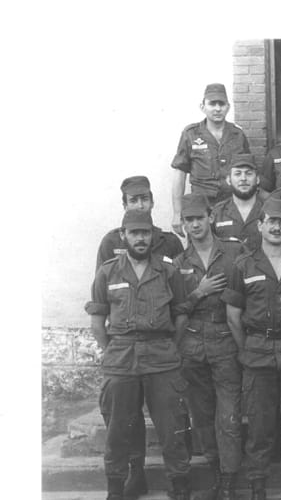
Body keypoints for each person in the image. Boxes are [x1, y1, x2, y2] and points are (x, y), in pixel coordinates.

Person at [85, 210, 192, 500]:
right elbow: (98, 321)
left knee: (172, 426)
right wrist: (113, 350)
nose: (140, 238)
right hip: (122, 357)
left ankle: (179, 485)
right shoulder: (108, 272)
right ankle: (117, 487)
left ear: (153, 236)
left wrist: (170, 346)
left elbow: (181, 315)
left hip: (161, 356)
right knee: (118, 427)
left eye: (145, 233)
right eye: (134, 233)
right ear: (124, 235)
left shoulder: (168, 272)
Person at [222, 197, 281, 500]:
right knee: (259, 428)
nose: (276, 227)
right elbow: (233, 316)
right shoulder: (243, 265)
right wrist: (247, 349)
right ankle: (258, 486)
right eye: (271, 221)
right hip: (258, 354)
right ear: (260, 225)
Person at [172, 193, 244, 499]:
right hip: (192, 345)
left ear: (210, 217)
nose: (195, 225)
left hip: (226, 340)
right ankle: (216, 471)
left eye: (199, 218)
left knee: (228, 416)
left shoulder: (234, 252)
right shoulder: (179, 264)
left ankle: (229, 481)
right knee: (201, 416)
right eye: (188, 220)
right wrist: (198, 293)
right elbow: (176, 309)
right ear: (183, 224)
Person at [171, 83, 251, 235]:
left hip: (230, 205)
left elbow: (247, 171)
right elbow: (180, 174)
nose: (217, 108)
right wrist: (177, 212)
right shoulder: (190, 134)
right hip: (200, 207)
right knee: (200, 245)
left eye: (221, 104)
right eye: (212, 104)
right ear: (203, 107)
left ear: (228, 107)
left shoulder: (238, 135)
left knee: (231, 245)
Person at [96, 175, 184, 269]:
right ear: (125, 206)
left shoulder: (170, 242)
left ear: (152, 203)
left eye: (144, 199)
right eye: (133, 201)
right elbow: (102, 276)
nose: (140, 206)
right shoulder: (111, 242)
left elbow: (180, 276)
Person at [210, 154, 265, 252]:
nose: (243, 178)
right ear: (228, 180)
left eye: (248, 173)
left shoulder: (269, 210)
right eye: (237, 174)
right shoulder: (217, 212)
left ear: (257, 179)